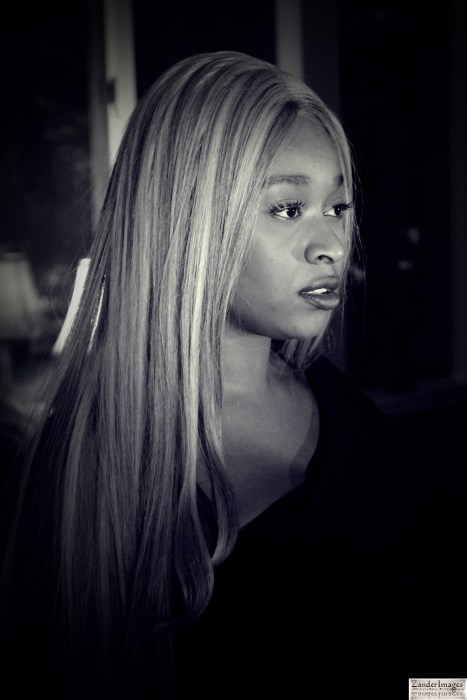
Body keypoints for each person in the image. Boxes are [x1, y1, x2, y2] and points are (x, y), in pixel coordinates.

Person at [0, 50, 437, 699]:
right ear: (187, 222)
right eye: (287, 208)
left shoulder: (334, 397)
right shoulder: (94, 476)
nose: (333, 246)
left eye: (338, 206)